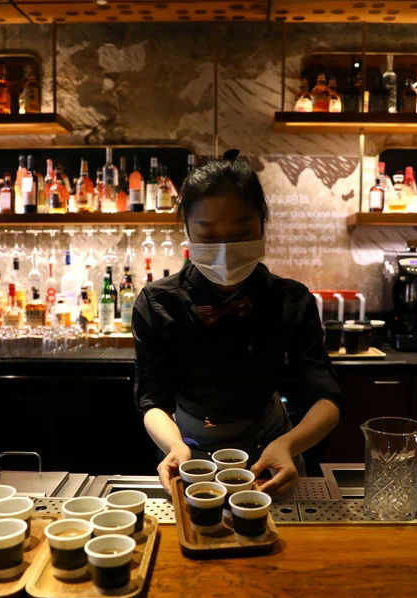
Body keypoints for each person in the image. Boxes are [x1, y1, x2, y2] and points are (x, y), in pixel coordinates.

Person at [132, 149, 342, 494]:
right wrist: (174, 445)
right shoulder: (158, 302)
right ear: (188, 232)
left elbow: (326, 398)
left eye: (242, 235)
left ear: (262, 225)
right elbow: (152, 399)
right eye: (208, 237)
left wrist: (289, 444)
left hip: (272, 448)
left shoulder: (290, 299)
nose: (225, 250)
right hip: (188, 452)